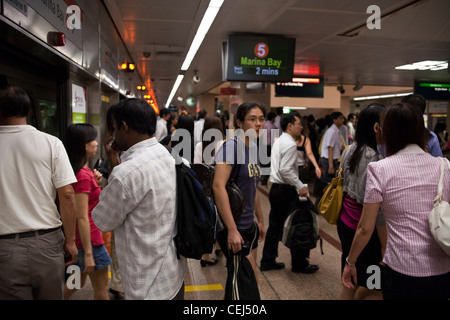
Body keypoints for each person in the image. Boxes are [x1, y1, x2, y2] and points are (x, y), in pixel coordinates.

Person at [342, 103, 450, 300]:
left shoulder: (380, 169)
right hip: (442, 268)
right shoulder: (444, 166)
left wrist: (350, 262)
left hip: (402, 267)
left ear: (387, 131)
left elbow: (365, 228)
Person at [92, 98, 186, 300]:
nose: (112, 135)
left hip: (146, 285)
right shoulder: (170, 156)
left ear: (124, 127)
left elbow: (103, 220)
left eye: (114, 128)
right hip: (173, 274)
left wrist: (113, 168)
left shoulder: (127, 173)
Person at [0, 86, 78, 299]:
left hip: (4, 247)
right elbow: (68, 195)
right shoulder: (51, 143)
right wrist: (70, 241)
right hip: (47, 242)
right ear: (29, 111)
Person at [212, 101, 266, 289]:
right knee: (246, 284)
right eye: (252, 119)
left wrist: (260, 219)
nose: (258, 124)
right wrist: (232, 230)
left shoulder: (253, 148)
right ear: (240, 123)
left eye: (261, 119)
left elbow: (253, 186)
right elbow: (218, 186)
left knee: (243, 283)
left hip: (248, 225)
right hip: (234, 227)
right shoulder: (232, 147)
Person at [336, 104, 386, 300]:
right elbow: (375, 211)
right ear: (376, 127)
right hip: (365, 233)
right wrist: (385, 245)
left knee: (350, 279)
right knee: (374, 287)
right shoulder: (375, 159)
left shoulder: (351, 149)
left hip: (346, 223)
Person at [260, 112, 318, 273]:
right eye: (299, 124)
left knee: (274, 226)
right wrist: (301, 185)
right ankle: (299, 264)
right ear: (290, 125)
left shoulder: (279, 140)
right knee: (298, 224)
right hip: (286, 190)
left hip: (276, 188)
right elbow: (286, 169)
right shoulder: (291, 144)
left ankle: (267, 260)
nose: (301, 127)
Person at [63, 124, 112, 300]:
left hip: (82, 240)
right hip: (89, 240)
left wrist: (95, 184)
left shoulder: (81, 172)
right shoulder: (83, 175)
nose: (97, 143)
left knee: (76, 283)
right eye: (93, 139)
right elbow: (82, 216)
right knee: (101, 288)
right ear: (84, 145)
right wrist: (90, 253)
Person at [194, 115, 225, 266]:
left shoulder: (200, 145)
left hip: (204, 188)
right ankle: (216, 248)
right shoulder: (223, 144)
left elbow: (197, 167)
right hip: (220, 186)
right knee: (220, 217)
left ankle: (206, 253)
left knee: (208, 219)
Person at [295, 118, 321, 182]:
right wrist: (316, 166)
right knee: (299, 189)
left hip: (289, 167)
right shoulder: (305, 139)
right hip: (301, 167)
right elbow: (309, 153)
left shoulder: (286, 138)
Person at [320, 112, 346, 178]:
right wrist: (331, 167)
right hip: (329, 160)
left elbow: (340, 147)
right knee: (329, 182)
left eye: (342, 118)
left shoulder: (337, 131)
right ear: (334, 120)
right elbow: (330, 150)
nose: (343, 120)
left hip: (333, 159)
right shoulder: (331, 132)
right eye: (340, 118)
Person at [260, 111, 277, 185]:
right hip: (269, 146)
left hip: (262, 145)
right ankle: (264, 178)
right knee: (268, 163)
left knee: (263, 162)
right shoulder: (272, 126)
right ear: (273, 118)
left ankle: (262, 177)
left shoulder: (264, 124)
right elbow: (273, 136)